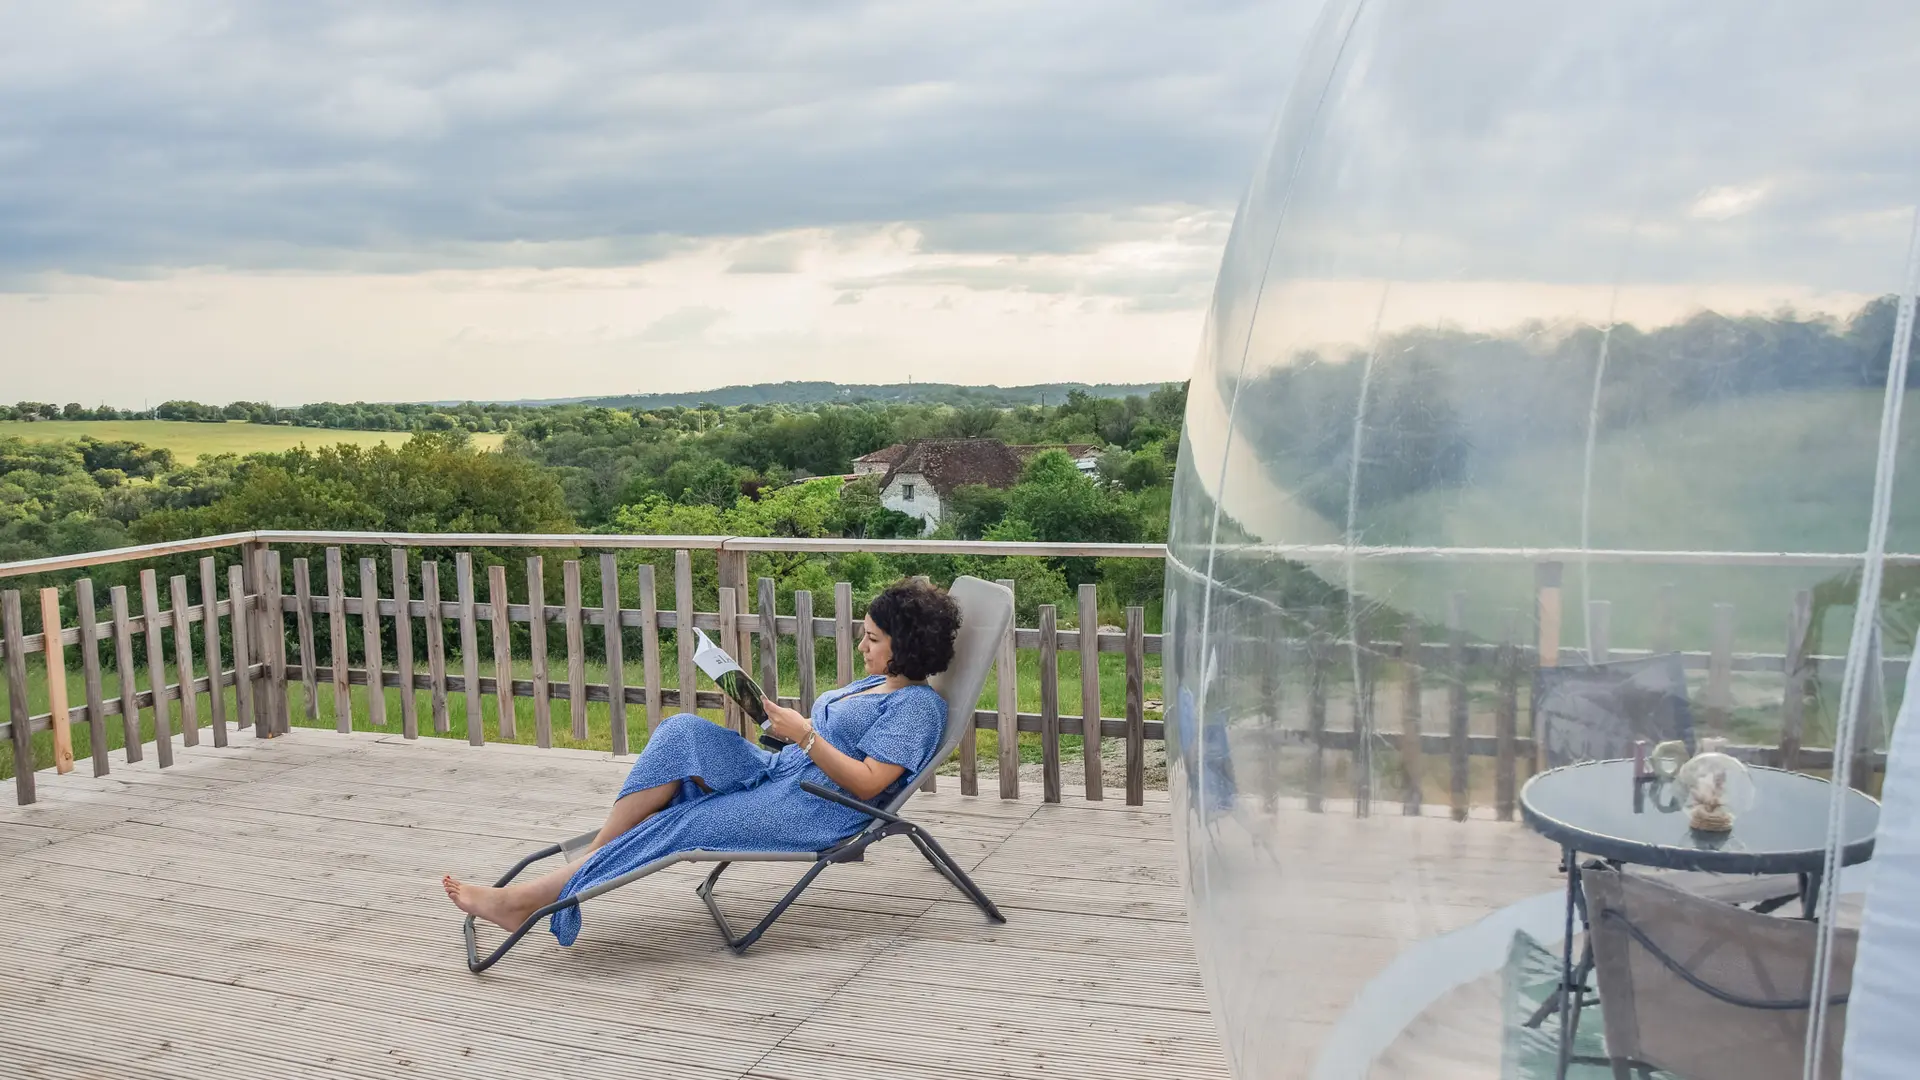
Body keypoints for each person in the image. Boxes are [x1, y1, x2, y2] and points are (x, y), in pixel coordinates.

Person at [442, 577, 962, 946]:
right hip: (783, 771)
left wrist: (805, 737)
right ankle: (588, 864)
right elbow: (827, 736)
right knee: (681, 734)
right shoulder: (876, 682)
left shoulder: (916, 708)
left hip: (815, 808)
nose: (862, 644)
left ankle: (525, 901)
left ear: (906, 649)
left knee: (682, 823)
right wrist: (780, 722)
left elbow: (869, 786)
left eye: (873, 639)